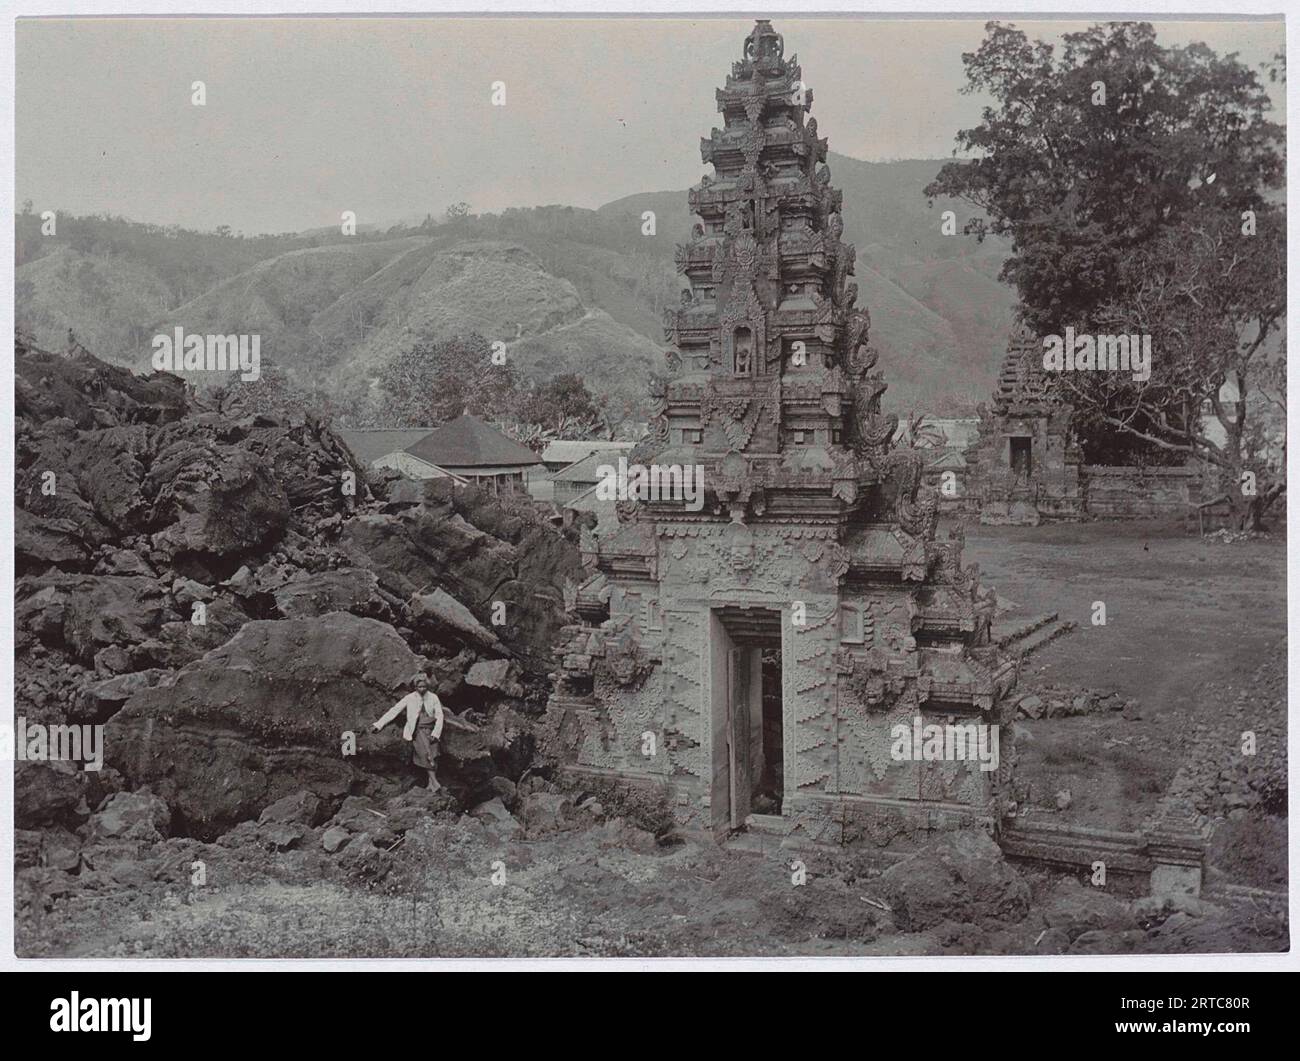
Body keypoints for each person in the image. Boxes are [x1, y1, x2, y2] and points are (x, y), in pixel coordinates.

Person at [373, 673, 445, 791]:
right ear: (415, 687)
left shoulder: (433, 697)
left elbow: (440, 716)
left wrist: (436, 734)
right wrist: (379, 724)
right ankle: (436, 783)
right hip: (418, 730)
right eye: (419, 687)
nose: (422, 689)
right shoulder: (410, 698)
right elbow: (395, 710)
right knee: (425, 755)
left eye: (424, 687)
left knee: (433, 755)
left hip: (431, 730)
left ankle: (431, 784)